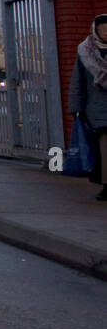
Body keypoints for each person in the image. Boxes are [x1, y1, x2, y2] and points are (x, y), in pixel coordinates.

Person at [69, 13, 107, 199]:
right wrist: (76, 108)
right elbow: (78, 83)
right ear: (96, 30)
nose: (106, 32)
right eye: (102, 29)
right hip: (98, 110)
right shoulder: (85, 53)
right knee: (105, 147)